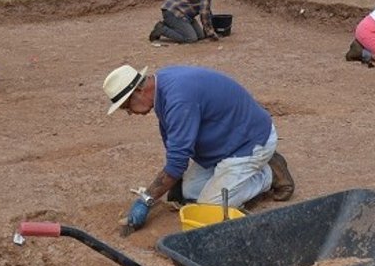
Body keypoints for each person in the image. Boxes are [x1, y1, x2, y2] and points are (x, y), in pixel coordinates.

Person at [103, 64, 294, 232]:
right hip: (226, 141)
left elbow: (178, 162)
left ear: (138, 91)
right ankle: (245, 172)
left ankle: (268, 174)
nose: (129, 113)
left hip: (249, 142)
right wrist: (174, 175)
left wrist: (146, 199)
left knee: (210, 207)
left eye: (127, 106)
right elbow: (176, 144)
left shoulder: (178, 98)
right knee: (190, 192)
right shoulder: (163, 84)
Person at [150, 0, 233, 43]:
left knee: (200, 36)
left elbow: (207, 10)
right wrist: (211, 33)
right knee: (191, 38)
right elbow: (204, 13)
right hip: (173, 11)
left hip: (185, 15)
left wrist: (209, 30)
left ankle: (171, 24)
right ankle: (161, 29)